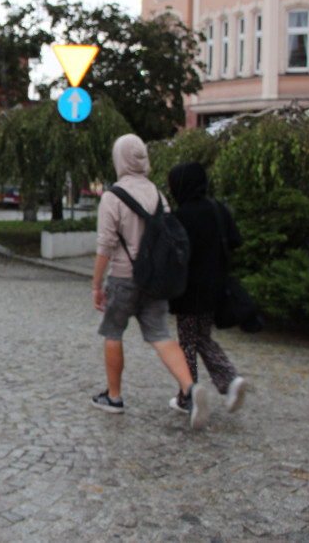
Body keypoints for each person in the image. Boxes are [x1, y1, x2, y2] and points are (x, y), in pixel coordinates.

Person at [90, 133, 210, 430]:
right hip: (155, 279)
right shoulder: (159, 195)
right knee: (160, 335)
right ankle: (190, 389)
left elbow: (105, 245)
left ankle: (114, 397)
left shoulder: (112, 197)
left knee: (114, 332)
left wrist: (96, 285)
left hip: (123, 277)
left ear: (119, 159)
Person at [167, 162, 247, 414]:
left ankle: (188, 393)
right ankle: (229, 380)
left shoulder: (181, 216)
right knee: (201, 337)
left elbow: (172, 255)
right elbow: (235, 240)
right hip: (216, 286)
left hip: (189, 290)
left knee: (188, 342)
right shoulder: (217, 208)